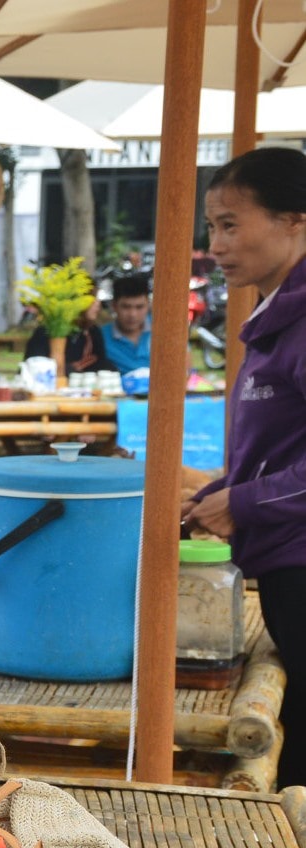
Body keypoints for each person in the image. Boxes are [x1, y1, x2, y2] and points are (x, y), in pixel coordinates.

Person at [184, 145, 306, 791]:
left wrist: (247, 503)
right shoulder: (278, 312)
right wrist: (222, 491)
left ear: (296, 220)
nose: (217, 244)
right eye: (211, 227)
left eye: (231, 224)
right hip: (285, 560)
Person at [23, 297, 110, 375]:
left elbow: (102, 365)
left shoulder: (93, 331)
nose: (97, 303)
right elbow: (33, 367)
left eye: (96, 298)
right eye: (91, 298)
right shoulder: (47, 331)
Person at [101, 272, 152, 373]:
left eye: (139, 307)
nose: (132, 314)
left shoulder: (164, 331)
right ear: (114, 306)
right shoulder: (100, 337)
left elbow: (184, 369)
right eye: (126, 307)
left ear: (148, 305)